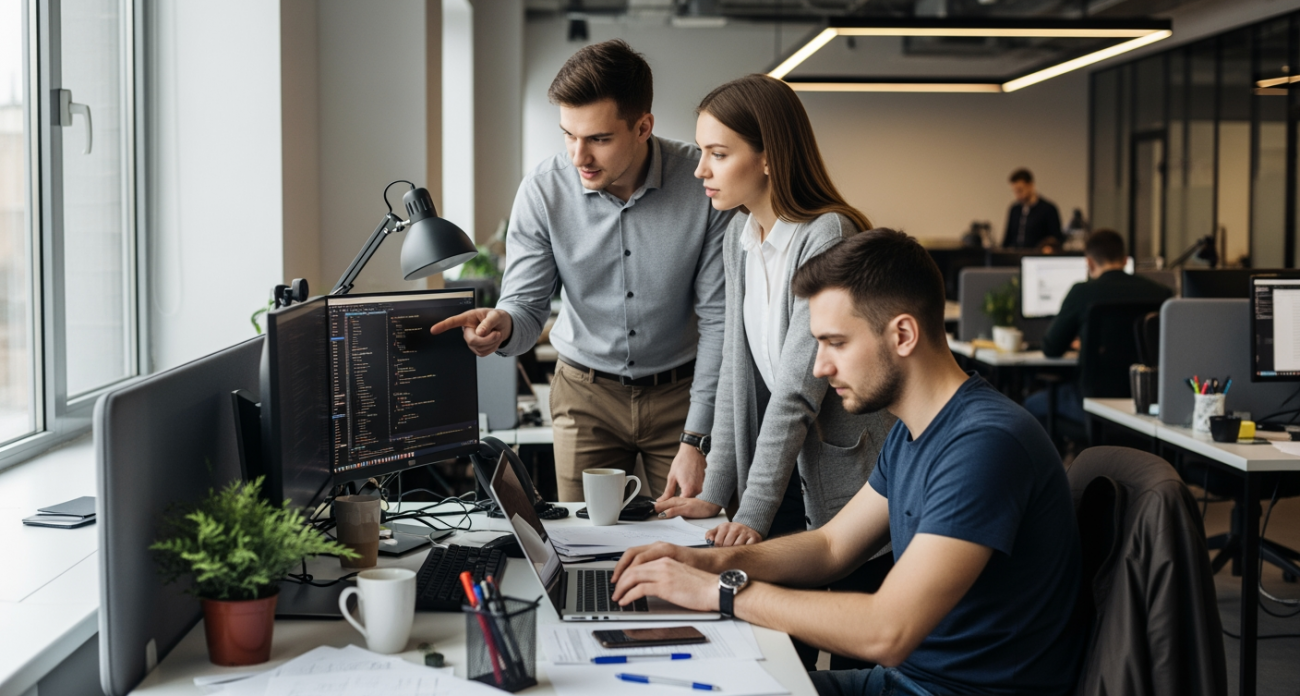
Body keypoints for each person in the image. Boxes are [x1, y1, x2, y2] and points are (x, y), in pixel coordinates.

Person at [611, 229, 1084, 696]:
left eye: (836, 342)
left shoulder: (984, 444)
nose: (820, 367)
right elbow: (831, 547)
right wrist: (707, 562)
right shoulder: (913, 432)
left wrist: (721, 591)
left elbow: (887, 631)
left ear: (902, 334)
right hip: (908, 682)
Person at [653, 74, 896, 671]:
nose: (700, 170)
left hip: (844, 481)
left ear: (767, 157)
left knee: (853, 654)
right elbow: (737, 376)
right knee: (781, 654)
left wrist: (750, 515)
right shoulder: (741, 236)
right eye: (701, 152)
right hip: (785, 473)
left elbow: (795, 392)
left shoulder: (826, 233)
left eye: (718, 154)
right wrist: (716, 494)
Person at [431, 40, 730, 502]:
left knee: (689, 533)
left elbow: (718, 320)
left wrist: (697, 437)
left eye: (598, 139)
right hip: (585, 396)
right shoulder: (543, 190)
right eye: (568, 135)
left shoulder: (701, 184)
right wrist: (503, 324)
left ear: (643, 127)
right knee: (583, 536)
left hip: (683, 395)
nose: (578, 157)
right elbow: (525, 306)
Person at [1026, 228, 1172, 424]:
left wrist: (1085, 342)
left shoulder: (1082, 292)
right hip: (1145, 402)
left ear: (1089, 263)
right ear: (1125, 260)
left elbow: (1051, 348)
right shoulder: (1161, 293)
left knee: (1029, 406)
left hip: (1091, 401)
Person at [1002, 168, 1061, 249]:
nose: (1017, 195)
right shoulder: (1014, 209)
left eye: (1020, 190)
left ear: (1031, 185)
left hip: (1037, 255)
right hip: (1015, 254)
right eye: (1015, 191)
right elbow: (1007, 239)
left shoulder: (1048, 209)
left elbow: (1056, 238)